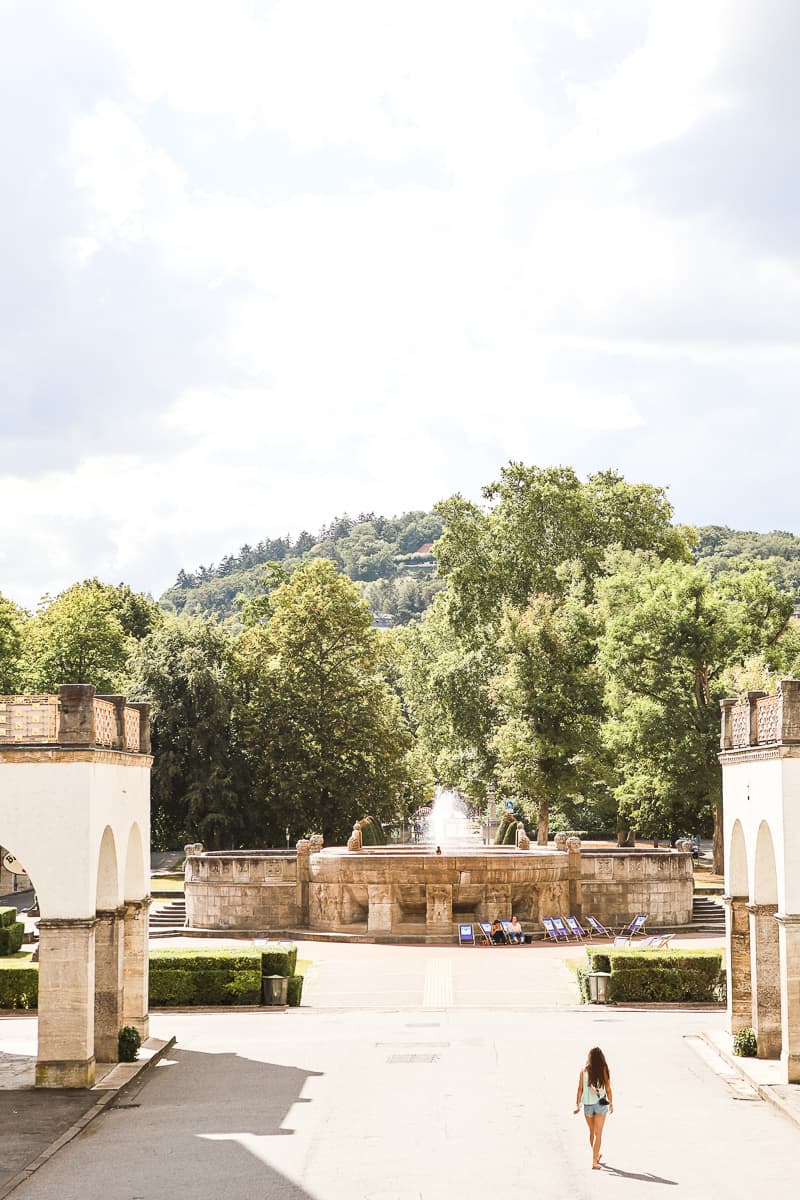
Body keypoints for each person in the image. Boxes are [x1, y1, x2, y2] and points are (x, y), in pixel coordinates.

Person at [573, 1046, 613, 1169]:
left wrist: (577, 1105)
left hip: (588, 1105)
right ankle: (594, 1161)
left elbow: (580, 1089)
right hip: (601, 1103)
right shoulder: (604, 1069)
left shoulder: (583, 1071)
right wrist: (611, 1103)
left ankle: (595, 1156)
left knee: (592, 1132)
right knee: (598, 1133)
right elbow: (608, 1088)